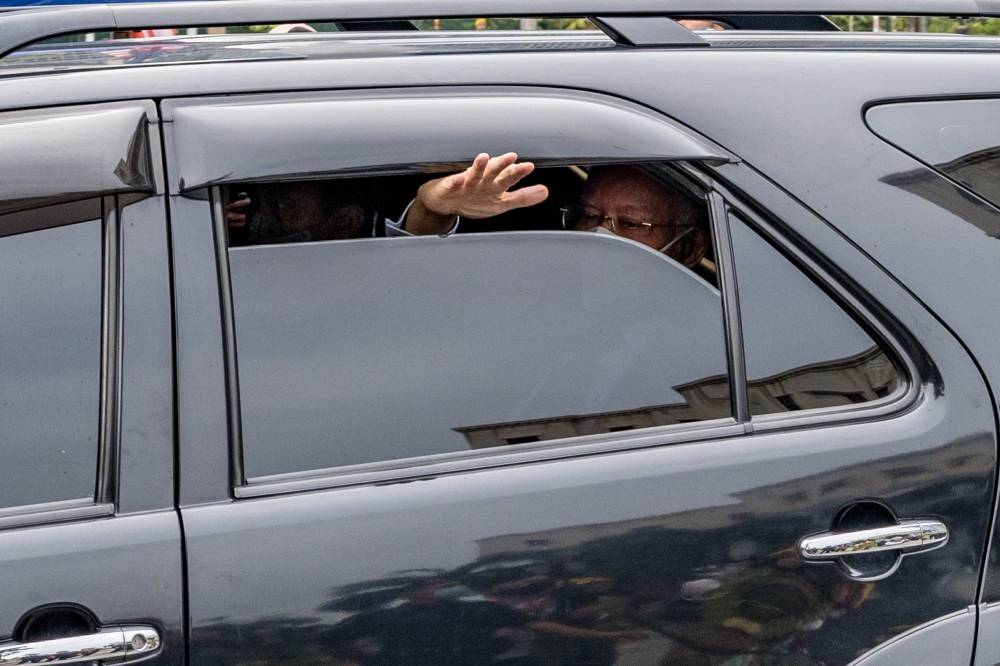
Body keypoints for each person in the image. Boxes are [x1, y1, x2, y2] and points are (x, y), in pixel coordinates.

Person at [398, 152, 708, 268]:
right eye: (588, 215)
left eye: (631, 223)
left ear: (690, 248)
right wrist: (431, 211)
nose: (600, 235)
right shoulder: (541, 298)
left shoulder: (719, 348)